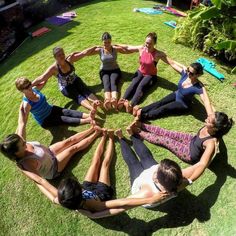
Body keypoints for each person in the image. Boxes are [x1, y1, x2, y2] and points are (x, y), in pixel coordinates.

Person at [55, 130, 199, 219]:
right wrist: (152, 199)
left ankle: (113, 138)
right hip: (104, 193)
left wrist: (32, 175)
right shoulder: (179, 183)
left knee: (115, 163)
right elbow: (124, 203)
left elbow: (124, 204)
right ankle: (122, 137)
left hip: (135, 184)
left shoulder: (63, 199)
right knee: (139, 158)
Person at [0, 126, 100, 202]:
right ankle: (96, 134)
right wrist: (59, 197)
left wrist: (25, 105)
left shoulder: (18, 141)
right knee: (73, 149)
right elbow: (40, 181)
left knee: (69, 141)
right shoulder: (25, 164)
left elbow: (22, 122)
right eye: (22, 144)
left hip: (49, 151)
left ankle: (92, 129)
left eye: (23, 140)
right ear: (16, 152)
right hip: (53, 167)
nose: (25, 141)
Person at [129, 111, 233, 181]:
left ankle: (137, 132)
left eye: (209, 121)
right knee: (168, 133)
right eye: (209, 117)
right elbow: (207, 102)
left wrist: (189, 180)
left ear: (214, 128)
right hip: (191, 139)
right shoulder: (214, 123)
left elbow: (202, 164)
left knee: (165, 140)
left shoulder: (211, 143)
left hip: (188, 153)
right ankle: (141, 125)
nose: (206, 119)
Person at [15, 78, 95, 137]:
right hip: (45, 119)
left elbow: (43, 80)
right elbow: (23, 122)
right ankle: (88, 120)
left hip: (50, 108)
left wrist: (47, 75)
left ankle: (89, 115)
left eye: (29, 84)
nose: (29, 88)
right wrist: (18, 136)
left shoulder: (35, 89)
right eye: (26, 88)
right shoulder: (27, 104)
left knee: (67, 111)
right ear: (22, 91)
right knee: (63, 119)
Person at [134, 62, 214, 120]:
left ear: (198, 75)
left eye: (192, 73)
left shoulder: (198, 87)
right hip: (176, 94)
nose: (189, 74)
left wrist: (211, 115)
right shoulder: (185, 74)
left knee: (164, 108)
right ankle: (142, 110)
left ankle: (144, 116)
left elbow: (206, 102)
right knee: (160, 102)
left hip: (182, 104)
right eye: (188, 70)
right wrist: (165, 57)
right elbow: (173, 63)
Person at [58, 129, 115, 210]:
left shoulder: (64, 199)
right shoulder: (88, 205)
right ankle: (111, 138)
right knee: (104, 165)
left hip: (87, 189)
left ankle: (104, 137)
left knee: (95, 162)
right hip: (101, 194)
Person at [116, 32, 175, 110]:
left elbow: (172, 62)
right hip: (140, 71)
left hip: (150, 75)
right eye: (146, 43)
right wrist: (114, 45)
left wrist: (183, 69)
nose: (147, 45)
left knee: (140, 86)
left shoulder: (158, 54)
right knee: (133, 84)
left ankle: (131, 105)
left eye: (150, 43)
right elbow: (127, 47)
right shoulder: (141, 48)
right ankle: (122, 100)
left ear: (154, 43)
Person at [31, 46, 101, 111]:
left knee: (85, 90)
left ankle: (96, 101)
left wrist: (95, 46)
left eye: (62, 54)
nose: (62, 56)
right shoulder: (54, 68)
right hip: (66, 87)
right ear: (55, 57)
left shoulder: (70, 59)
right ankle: (92, 108)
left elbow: (84, 53)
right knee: (77, 96)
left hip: (75, 80)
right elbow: (41, 78)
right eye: (59, 55)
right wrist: (30, 86)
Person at [81, 32, 128, 110]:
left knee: (113, 83)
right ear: (102, 42)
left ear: (111, 41)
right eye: (105, 42)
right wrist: (95, 46)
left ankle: (114, 99)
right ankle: (107, 100)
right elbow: (86, 53)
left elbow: (127, 49)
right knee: (106, 84)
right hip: (104, 71)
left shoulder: (115, 49)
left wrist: (118, 44)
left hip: (115, 70)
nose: (107, 44)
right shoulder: (100, 50)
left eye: (109, 42)